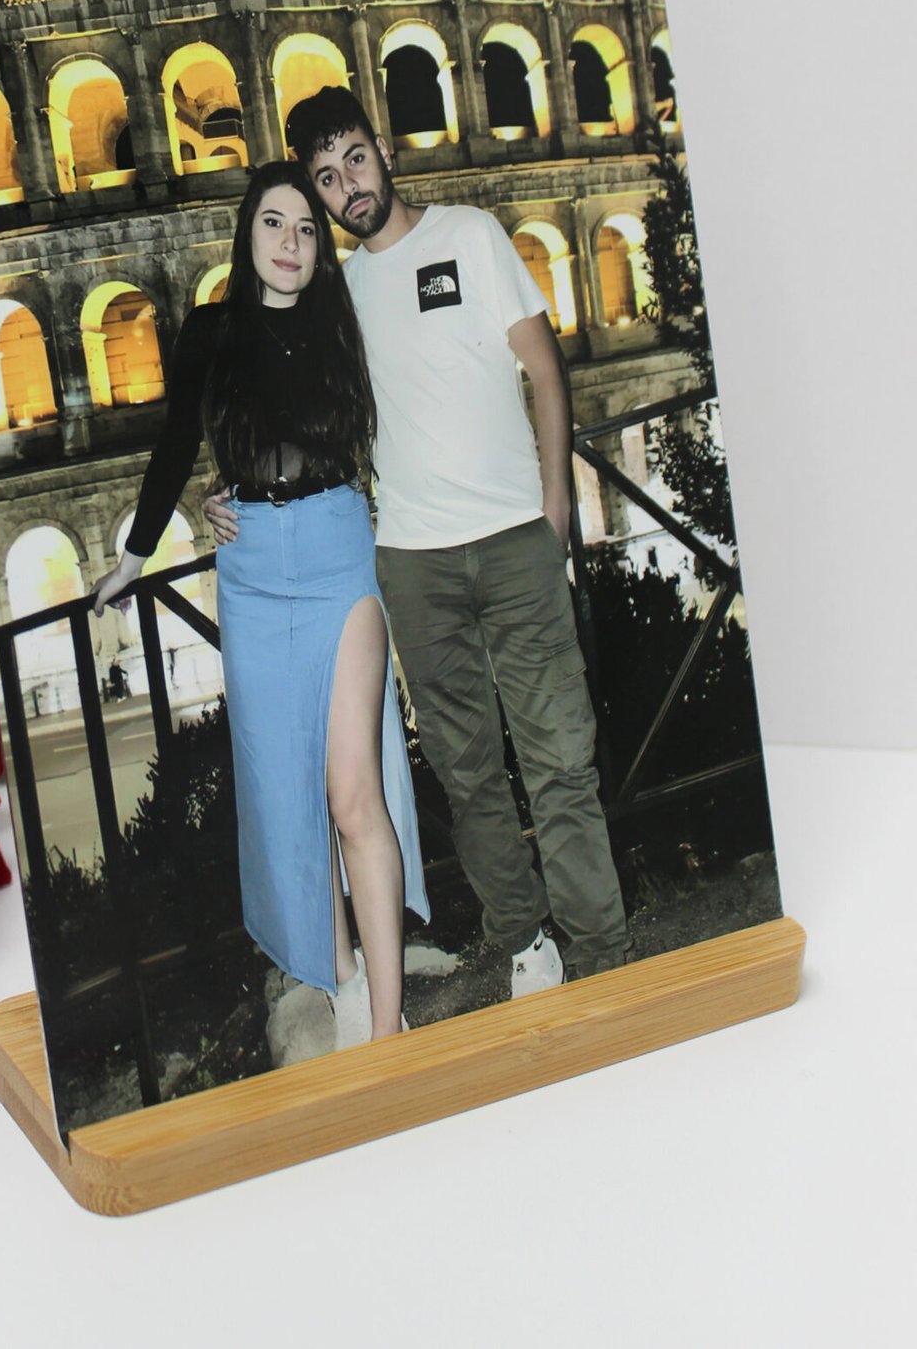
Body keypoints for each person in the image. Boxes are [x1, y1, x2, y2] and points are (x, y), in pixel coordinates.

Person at [218, 85, 629, 995]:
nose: (348, 185)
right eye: (327, 178)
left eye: (355, 160)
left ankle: (602, 948)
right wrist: (222, 487)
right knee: (468, 770)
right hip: (410, 561)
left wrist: (556, 509)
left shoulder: (470, 236)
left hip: (514, 537)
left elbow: (546, 370)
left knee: (560, 755)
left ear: (384, 152)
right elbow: (270, 394)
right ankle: (525, 942)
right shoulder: (336, 294)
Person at [93, 160, 428, 1046]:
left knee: (352, 792)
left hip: (336, 556)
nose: (291, 241)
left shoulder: (340, 321)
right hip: (248, 572)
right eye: (275, 222)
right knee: (289, 789)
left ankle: (386, 1029)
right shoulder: (209, 331)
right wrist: (134, 558)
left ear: (321, 248)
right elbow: (176, 442)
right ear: (247, 233)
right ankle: (342, 977)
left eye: (307, 228)